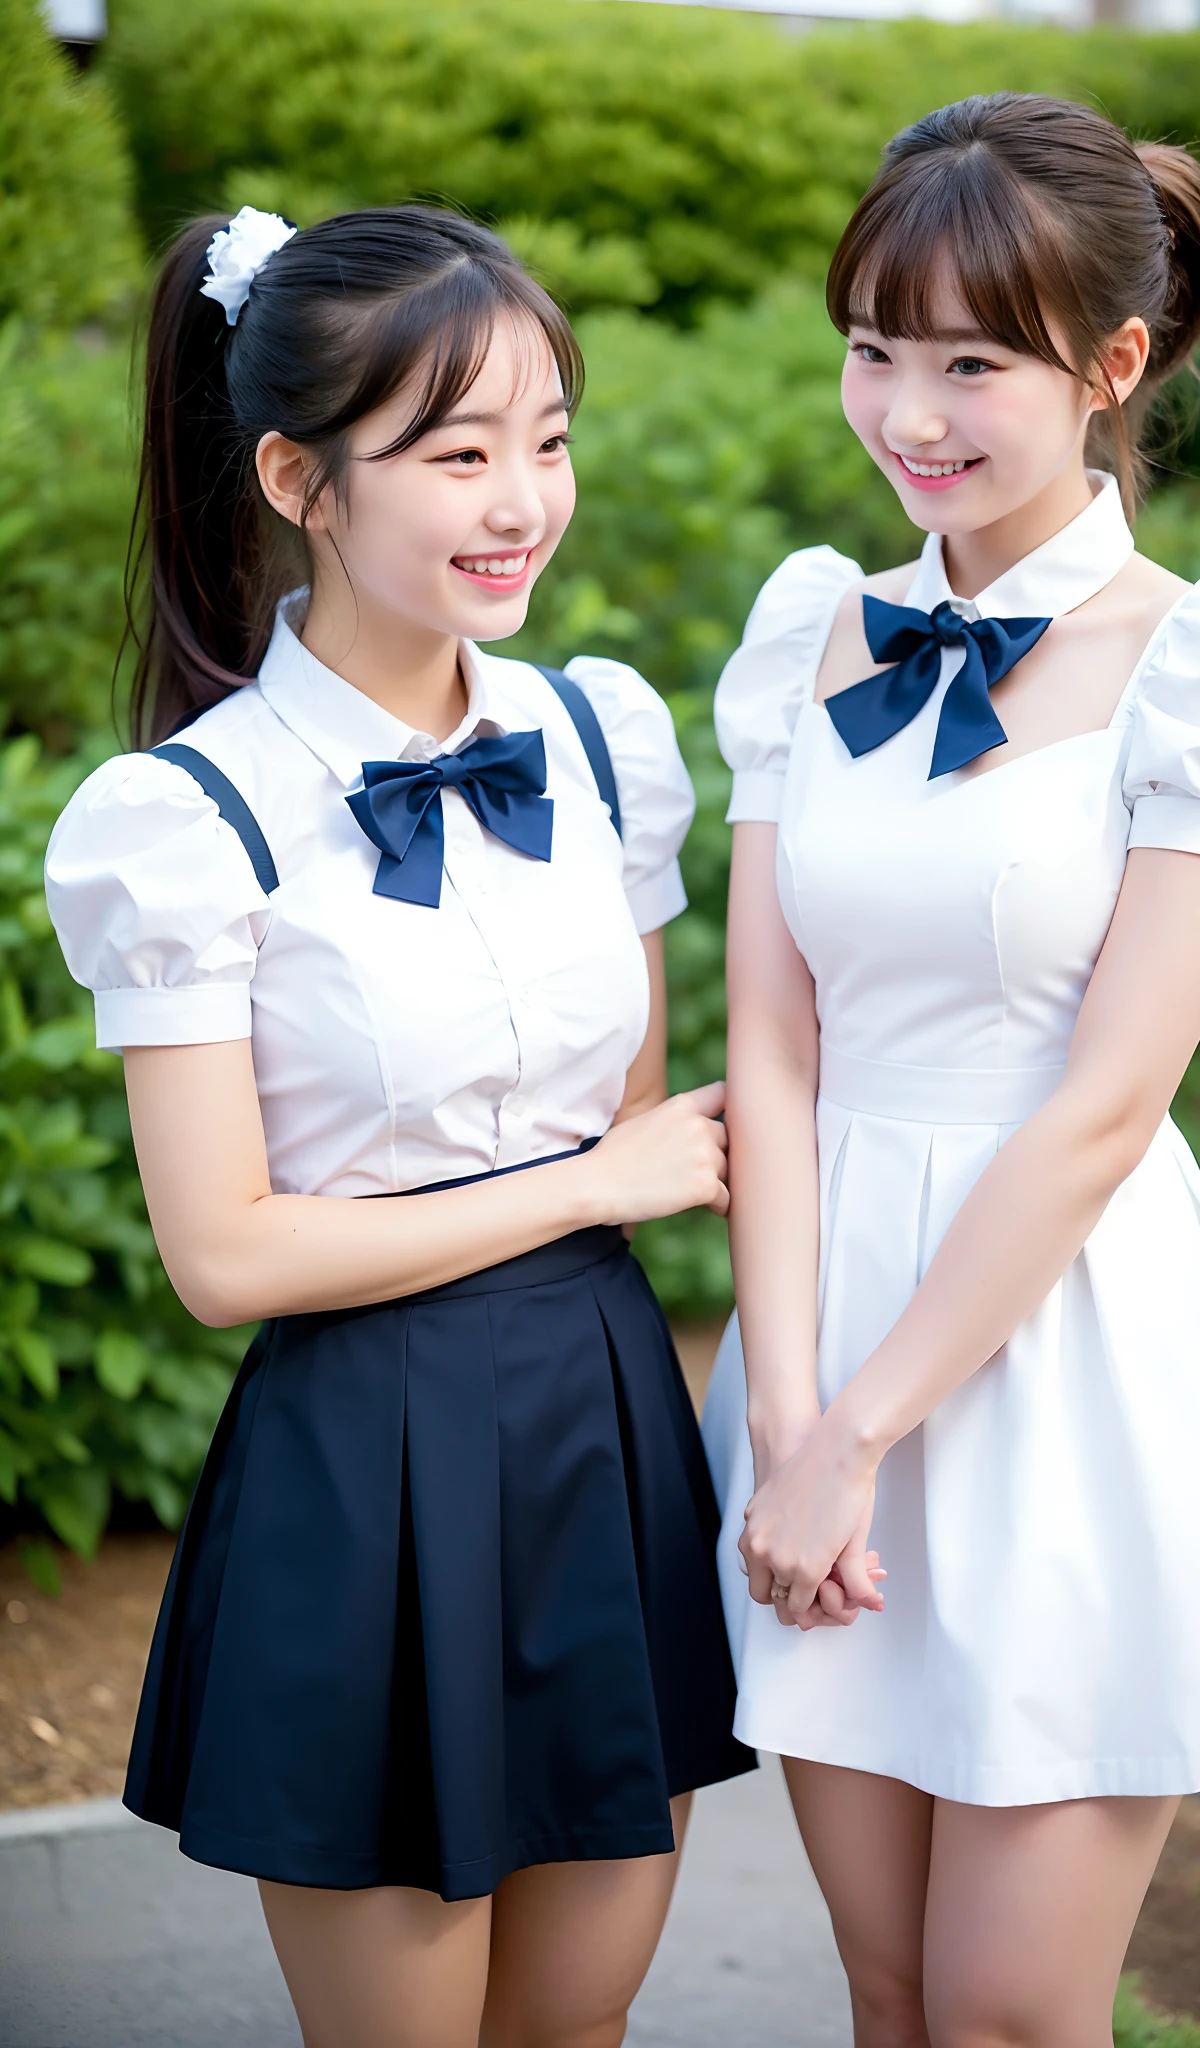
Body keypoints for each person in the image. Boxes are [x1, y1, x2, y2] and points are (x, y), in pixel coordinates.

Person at [46, 203, 752, 2048]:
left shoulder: (599, 742)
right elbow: (224, 1253)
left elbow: (639, 1101)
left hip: (605, 1431)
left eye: (547, 438)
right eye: (457, 453)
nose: (523, 498)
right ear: (300, 476)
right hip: (364, 1460)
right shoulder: (189, 821)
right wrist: (596, 1181)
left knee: (577, 2032)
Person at [702, 94, 1200, 2048]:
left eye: (965, 360)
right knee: (887, 1992)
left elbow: (1099, 1109)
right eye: (871, 347)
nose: (905, 410)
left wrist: (855, 1436)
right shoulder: (807, 633)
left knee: (1002, 2013)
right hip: (819, 1337)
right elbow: (768, 1037)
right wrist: (788, 1412)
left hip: (1061, 1363)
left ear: (1112, 361)